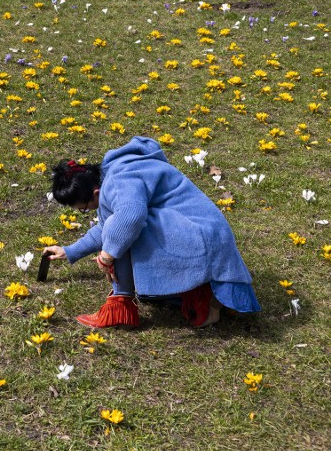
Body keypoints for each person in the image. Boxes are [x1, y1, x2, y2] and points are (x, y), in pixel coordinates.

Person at [43, 136, 260, 328]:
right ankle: (206, 293)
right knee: (116, 229)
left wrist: (108, 255)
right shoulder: (117, 173)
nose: (85, 211)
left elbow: (130, 218)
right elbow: (107, 225)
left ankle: (121, 305)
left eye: (83, 208)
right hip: (205, 236)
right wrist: (69, 251)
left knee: (120, 230)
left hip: (200, 236)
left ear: (95, 192)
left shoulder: (118, 180)